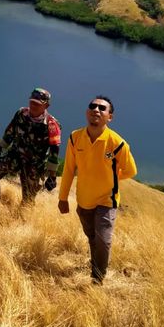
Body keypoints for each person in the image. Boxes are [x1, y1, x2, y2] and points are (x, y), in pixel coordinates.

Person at [58, 95, 137, 285]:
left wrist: (111, 178)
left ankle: (97, 279)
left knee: (103, 238)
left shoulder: (117, 143)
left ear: (110, 117)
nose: (96, 110)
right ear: (87, 112)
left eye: (102, 108)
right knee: (92, 237)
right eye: (92, 106)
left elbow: (131, 171)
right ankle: (95, 264)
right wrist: (63, 198)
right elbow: (68, 169)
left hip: (106, 200)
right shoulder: (75, 138)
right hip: (84, 199)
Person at [0, 88, 61, 216]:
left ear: (46, 105)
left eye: (37, 104)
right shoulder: (21, 114)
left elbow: (54, 150)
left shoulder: (52, 125)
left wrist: (52, 176)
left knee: (28, 199)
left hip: (34, 164)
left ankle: (22, 221)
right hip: (15, 156)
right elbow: (9, 132)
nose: (33, 106)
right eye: (32, 102)